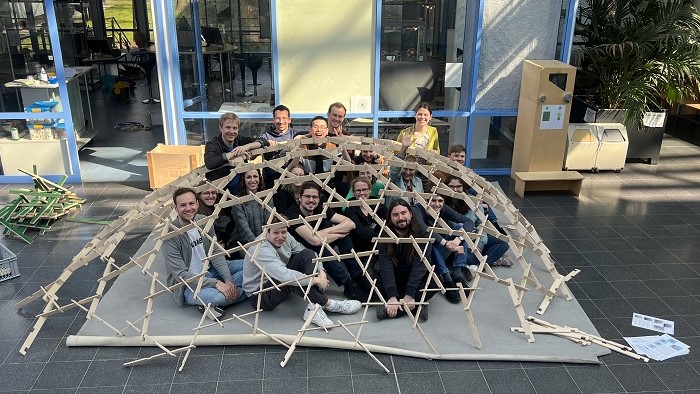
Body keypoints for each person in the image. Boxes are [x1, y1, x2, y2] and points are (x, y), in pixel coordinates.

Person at [242, 219, 361, 328]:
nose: (281, 236)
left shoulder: (286, 237)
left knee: (307, 253)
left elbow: (307, 253)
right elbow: (285, 276)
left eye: (283, 232)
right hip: (260, 295)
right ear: (267, 233)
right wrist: (316, 280)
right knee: (289, 279)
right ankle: (330, 304)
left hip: (275, 280)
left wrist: (322, 272)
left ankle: (314, 307)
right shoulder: (261, 249)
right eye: (276, 233)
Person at [163, 187, 247, 320]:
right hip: (189, 285)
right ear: (175, 208)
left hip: (211, 270)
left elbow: (215, 252)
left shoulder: (204, 221)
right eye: (183, 205)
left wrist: (228, 280)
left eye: (191, 203)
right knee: (216, 297)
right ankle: (247, 290)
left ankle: (229, 291)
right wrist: (216, 283)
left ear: (197, 203)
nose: (188, 208)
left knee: (253, 265)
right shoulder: (170, 235)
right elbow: (182, 275)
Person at [284, 182, 368, 301]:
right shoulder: (293, 214)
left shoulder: (320, 208)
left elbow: (350, 223)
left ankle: (358, 276)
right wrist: (337, 233)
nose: (311, 200)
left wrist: (329, 231)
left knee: (341, 237)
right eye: (307, 196)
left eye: (315, 197)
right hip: (300, 256)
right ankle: (348, 284)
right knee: (319, 246)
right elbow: (314, 241)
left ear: (319, 199)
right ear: (299, 198)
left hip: (318, 242)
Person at [375, 199, 437, 321]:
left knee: (435, 282)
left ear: (411, 214)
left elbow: (420, 264)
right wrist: (392, 295)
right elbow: (386, 264)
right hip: (395, 275)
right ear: (390, 218)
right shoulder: (385, 235)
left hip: (414, 277)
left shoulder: (423, 234)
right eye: (395, 215)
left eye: (404, 213)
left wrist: (410, 293)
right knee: (371, 280)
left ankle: (399, 307)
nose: (401, 218)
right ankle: (414, 306)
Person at [410, 195, 472, 303]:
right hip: (424, 255)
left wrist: (458, 239)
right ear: (425, 200)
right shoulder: (416, 209)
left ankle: (457, 275)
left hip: (441, 250)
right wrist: (445, 243)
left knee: (459, 229)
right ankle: (446, 279)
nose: (437, 204)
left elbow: (469, 222)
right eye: (433, 200)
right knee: (429, 240)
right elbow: (424, 229)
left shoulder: (442, 208)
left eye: (440, 201)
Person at [444, 176, 512, 269]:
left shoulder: (473, 201)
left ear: (463, 187)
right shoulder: (442, 204)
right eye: (451, 186)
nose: (455, 189)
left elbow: (481, 225)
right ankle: (487, 260)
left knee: (503, 243)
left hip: (476, 238)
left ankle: (481, 266)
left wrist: (479, 245)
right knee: (470, 257)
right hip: (458, 242)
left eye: (459, 186)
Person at [441, 144, 507, 235]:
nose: (459, 158)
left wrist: (481, 197)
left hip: (463, 196)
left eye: (462, 156)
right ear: (449, 157)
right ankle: (493, 224)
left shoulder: (466, 170)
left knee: (479, 192)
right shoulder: (442, 170)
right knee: (473, 191)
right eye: (456, 156)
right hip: (449, 197)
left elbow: (481, 187)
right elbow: (444, 187)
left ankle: (494, 223)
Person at [204, 112, 270, 192]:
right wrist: (234, 153)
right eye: (228, 127)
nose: (231, 132)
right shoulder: (212, 144)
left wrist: (247, 146)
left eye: (235, 128)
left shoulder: (239, 140)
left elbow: (265, 142)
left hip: (241, 191)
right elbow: (210, 163)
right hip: (221, 192)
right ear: (220, 128)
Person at [292, 116, 351, 196]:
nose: (319, 130)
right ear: (310, 130)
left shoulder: (333, 147)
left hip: (329, 185)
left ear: (327, 131)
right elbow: (292, 168)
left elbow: (348, 163)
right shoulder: (303, 146)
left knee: (344, 186)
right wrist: (298, 148)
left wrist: (342, 145)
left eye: (322, 127)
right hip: (307, 186)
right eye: (315, 127)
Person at [261, 105, 308, 189]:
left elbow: (314, 134)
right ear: (273, 120)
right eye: (278, 118)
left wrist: (301, 137)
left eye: (284, 118)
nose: (281, 121)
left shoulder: (296, 133)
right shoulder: (266, 137)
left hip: (293, 180)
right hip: (272, 180)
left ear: (289, 120)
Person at [344, 176, 388, 253]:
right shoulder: (349, 208)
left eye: (364, 189)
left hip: (381, 245)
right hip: (361, 248)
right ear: (353, 192)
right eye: (358, 190)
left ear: (370, 190)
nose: (361, 193)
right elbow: (360, 230)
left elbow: (389, 217)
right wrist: (382, 239)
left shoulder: (376, 203)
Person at [229, 169, 271, 249]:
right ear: (243, 180)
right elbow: (244, 229)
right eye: (248, 177)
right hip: (242, 244)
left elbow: (269, 222)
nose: (252, 180)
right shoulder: (237, 201)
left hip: (266, 241)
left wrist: (266, 243)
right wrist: (259, 245)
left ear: (260, 178)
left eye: (255, 176)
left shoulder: (267, 196)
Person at [385, 134, 423, 207]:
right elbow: (394, 168)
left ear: (415, 170)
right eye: (405, 169)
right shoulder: (394, 179)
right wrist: (403, 148)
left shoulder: (418, 181)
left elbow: (421, 203)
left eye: (411, 170)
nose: (407, 172)